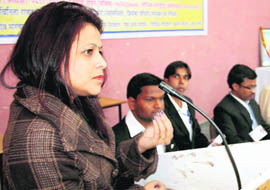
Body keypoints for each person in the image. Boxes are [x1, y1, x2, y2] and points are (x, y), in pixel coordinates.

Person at [0, 2, 173, 189]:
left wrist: (140, 145)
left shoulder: (73, 103)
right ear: (50, 54)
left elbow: (101, 172)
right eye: (88, 52)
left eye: (99, 51)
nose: (102, 63)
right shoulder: (39, 140)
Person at [113, 73, 178, 153]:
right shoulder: (113, 139)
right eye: (150, 99)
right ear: (132, 103)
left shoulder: (167, 126)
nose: (158, 105)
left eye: (161, 99)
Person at [213, 64, 270, 144]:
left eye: (254, 87)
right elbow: (232, 140)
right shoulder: (223, 109)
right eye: (249, 87)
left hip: (261, 143)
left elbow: (263, 126)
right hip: (245, 149)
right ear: (235, 86)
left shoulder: (252, 102)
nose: (253, 91)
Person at [163, 61, 209, 151]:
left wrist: (209, 146)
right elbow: (169, 142)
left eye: (185, 78)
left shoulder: (188, 102)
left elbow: (196, 134)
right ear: (166, 81)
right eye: (176, 77)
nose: (181, 82)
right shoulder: (161, 105)